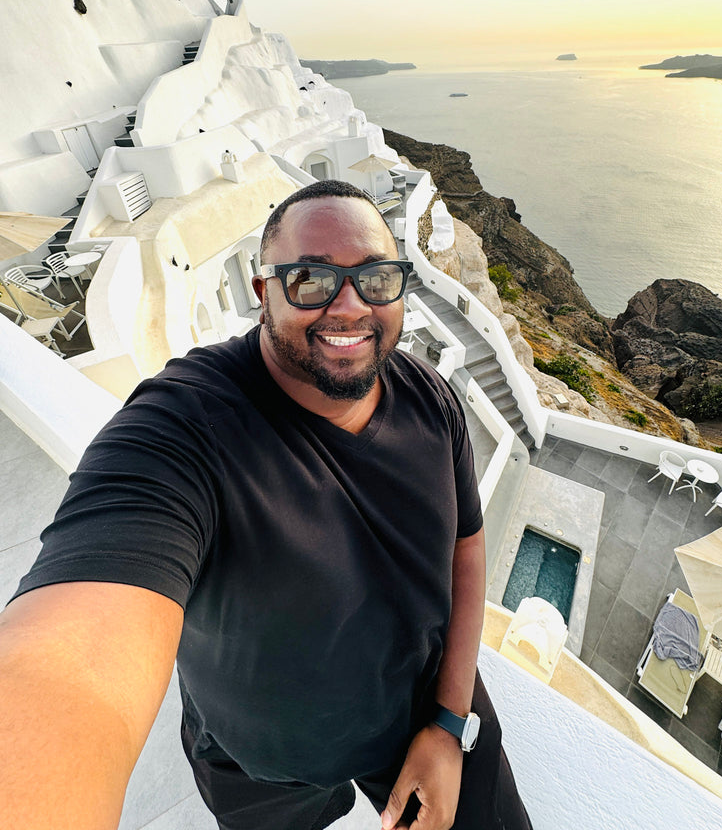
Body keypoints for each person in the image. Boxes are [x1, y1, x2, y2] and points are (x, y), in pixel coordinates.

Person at [0, 180, 532, 830]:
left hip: (423, 707)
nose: (349, 305)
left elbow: (466, 548)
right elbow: (69, 662)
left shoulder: (428, 397)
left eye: (376, 276)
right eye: (311, 279)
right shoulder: (185, 426)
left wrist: (450, 723)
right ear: (263, 294)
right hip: (258, 765)